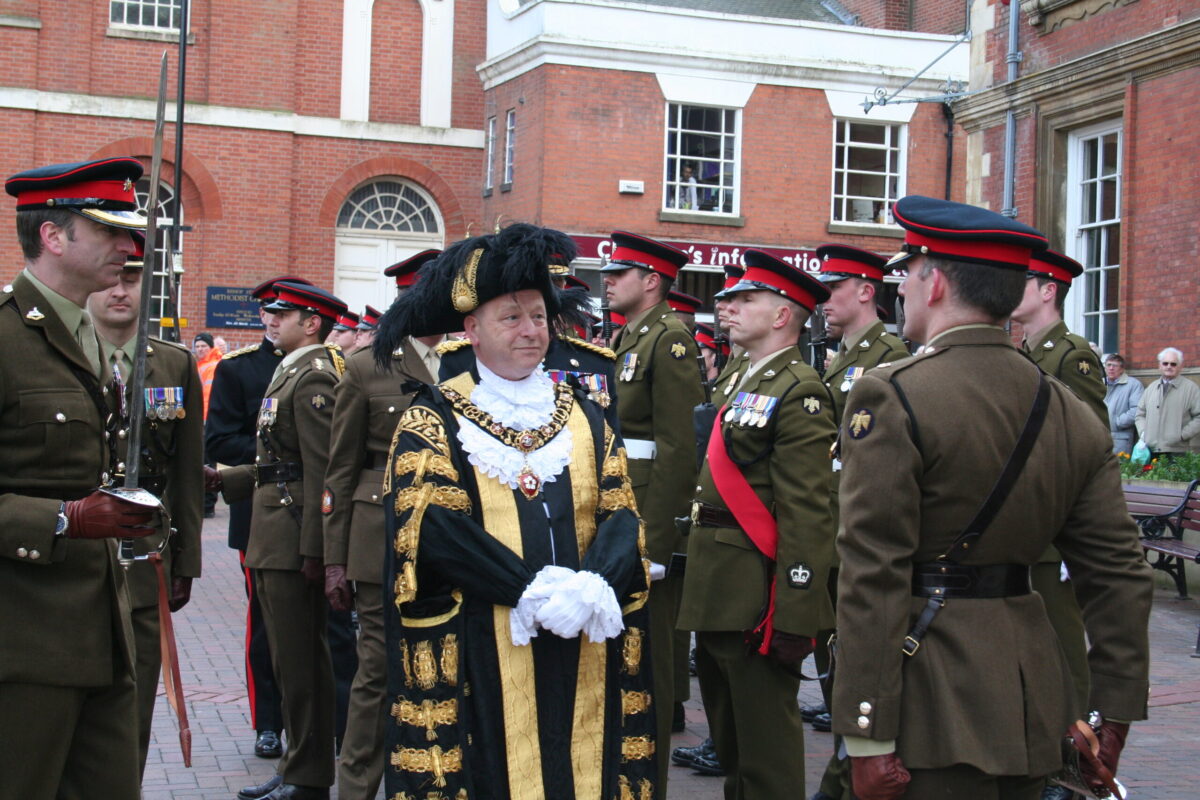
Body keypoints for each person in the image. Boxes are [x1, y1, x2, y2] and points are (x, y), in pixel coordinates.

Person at [833, 195, 1152, 800]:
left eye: (908, 273)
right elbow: (1117, 574)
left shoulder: (891, 395)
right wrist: (1114, 711)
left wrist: (867, 734)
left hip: (927, 698)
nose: (899, 289)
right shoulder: (1069, 411)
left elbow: (873, 575)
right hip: (1033, 696)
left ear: (934, 284)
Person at [376, 228, 655, 799]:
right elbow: (434, 531)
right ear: (472, 330)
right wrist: (530, 591)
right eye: (511, 318)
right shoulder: (434, 421)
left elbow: (621, 511)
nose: (531, 331)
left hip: (584, 634)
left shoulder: (585, 412)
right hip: (486, 643)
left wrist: (592, 585)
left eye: (538, 316)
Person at [0, 156, 162, 799]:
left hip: (106, 629)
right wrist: (65, 518)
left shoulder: (94, 338)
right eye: (109, 230)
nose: (130, 246)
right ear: (53, 236)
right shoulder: (7, 338)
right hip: (25, 641)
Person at [677, 250, 837, 800]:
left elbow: (808, 514)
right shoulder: (743, 379)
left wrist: (794, 612)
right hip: (719, 580)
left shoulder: (800, 390)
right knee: (731, 743)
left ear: (782, 315)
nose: (729, 308)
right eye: (731, 299)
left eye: (747, 300)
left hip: (756, 592)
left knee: (766, 752)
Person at [210, 281, 349, 800]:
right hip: (273, 534)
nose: (271, 320)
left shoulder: (315, 377)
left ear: (311, 322)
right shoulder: (290, 369)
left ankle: (308, 776)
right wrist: (228, 480)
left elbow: (321, 472)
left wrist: (318, 550)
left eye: (282, 313)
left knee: (302, 664)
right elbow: (277, 464)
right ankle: (297, 766)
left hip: (293, 539)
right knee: (288, 663)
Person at [322, 251, 441, 800]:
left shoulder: (474, 365)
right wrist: (334, 559)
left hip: (453, 538)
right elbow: (339, 472)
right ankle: (357, 787)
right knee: (377, 669)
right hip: (379, 535)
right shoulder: (369, 366)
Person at [88, 249, 204, 777]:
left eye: (131, 279)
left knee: (133, 709)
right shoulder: (65, 353)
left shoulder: (174, 362)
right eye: (110, 279)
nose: (120, 291)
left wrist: (186, 564)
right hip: (78, 550)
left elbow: (186, 469)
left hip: (144, 561)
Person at [603, 230, 704, 794]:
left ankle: (652, 781)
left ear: (652, 282)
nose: (608, 282)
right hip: (624, 505)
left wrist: (658, 541)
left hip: (646, 515)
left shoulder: (669, 340)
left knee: (652, 661)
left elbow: (677, 448)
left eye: (620, 274)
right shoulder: (631, 338)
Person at [808, 244, 910, 800]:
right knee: (834, 658)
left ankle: (848, 778)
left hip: (860, 520)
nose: (823, 300)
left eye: (833, 288)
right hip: (832, 518)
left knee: (854, 657)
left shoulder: (889, 352)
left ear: (866, 291)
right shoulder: (841, 354)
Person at [1010, 249, 1107, 744]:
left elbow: (1086, 447)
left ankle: (1077, 759)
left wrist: (1070, 535)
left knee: (1064, 651)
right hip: (1022, 527)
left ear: (1048, 289)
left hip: (1051, 532)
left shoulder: (1072, 356)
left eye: (1022, 280)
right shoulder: (1025, 355)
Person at [205, 277, 301, 762]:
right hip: (260, 511)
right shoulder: (240, 370)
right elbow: (218, 440)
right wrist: (279, 452)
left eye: (282, 312)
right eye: (268, 311)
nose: (272, 319)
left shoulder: (331, 365)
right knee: (265, 624)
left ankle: (319, 723)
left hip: (313, 512)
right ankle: (268, 723)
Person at [1135, 347, 1200, 458]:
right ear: (1160, 366)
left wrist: (1182, 435)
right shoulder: (1151, 388)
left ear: (1180, 366)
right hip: (1152, 450)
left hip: (1178, 451)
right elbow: (1140, 414)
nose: (1169, 366)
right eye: (1165, 363)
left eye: (1173, 364)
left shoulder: (1191, 388)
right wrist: (1144, 433)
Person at [1104, 353, 1143, 455]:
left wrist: (1118, 422)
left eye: (1115, 366)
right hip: (1100, 435)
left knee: (1120, 469)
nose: (1111, 368)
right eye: (1108, 365)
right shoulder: (1100, 383)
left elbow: (1136, 409)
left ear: (1122, 369)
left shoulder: (1133, 385)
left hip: (1121, 438)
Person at [194, 331, 223, 418]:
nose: (200, 349)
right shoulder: (201, 364)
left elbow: (208, 395)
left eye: (203, 346)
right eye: (197, 346)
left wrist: (205, 418)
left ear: (211, 347)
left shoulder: (212, 366)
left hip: (206, 415)